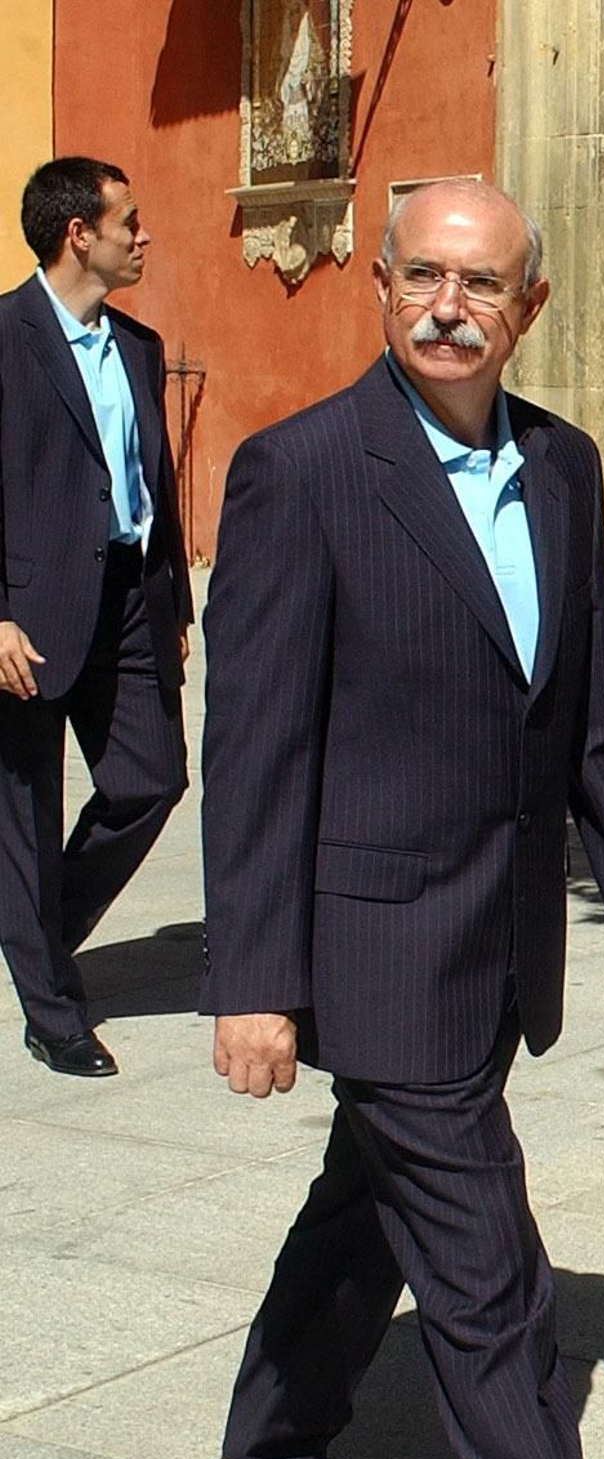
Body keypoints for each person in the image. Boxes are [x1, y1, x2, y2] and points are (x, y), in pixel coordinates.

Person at [200, 179, 604, 1459]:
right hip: (376, 931)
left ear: (527, 308)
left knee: (368, 1211)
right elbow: (256, 753)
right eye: (421, 277)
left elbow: (593, 710)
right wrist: (250, 978)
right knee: (490, 1277)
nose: (447, 307)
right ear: (383, 287)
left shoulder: (560, 466)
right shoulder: (306, 470)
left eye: (480, 286)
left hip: (501, 933)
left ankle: (269, 1444)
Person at [0, 157, 191, 1079]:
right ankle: (52, 1009)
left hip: (128, 599)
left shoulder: (141, 347)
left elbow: (158, 482)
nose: (143, 236)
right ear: (80, 232)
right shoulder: (3, 337)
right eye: (131, 221)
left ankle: (31, 930)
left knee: (152, 779)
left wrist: (175, 602)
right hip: (26, 614)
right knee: (24, 813)